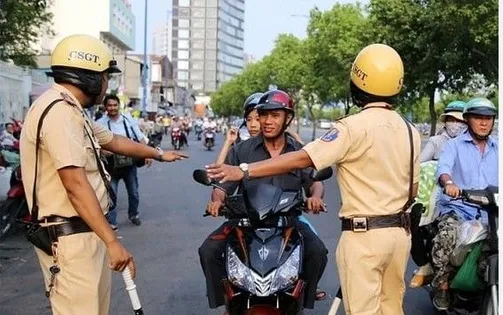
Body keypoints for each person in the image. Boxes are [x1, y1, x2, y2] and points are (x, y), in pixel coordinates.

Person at [206, 44, 422, 315]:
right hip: (399, 236)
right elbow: (412, 189)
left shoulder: (351, 128)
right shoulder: (410, 130)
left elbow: (304, 159)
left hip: (365, 237)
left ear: (357, 82)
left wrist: (245, 170)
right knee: (391, 309)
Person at [19, 34, 188, 315]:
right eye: (105, 77)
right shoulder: (59, 112)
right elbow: (74, 183)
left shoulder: (72, 111)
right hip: (71, 238)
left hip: (85, 233)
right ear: (88, 77)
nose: (106, 85)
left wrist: (157, 153)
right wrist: (112, 242)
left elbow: (113, 141)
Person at [199, 89, 329, 311]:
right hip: (245, 221)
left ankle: (304, 298)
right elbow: (222, 185)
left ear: (288, 118)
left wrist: (315, 197)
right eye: (264, 115)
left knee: (317, 252)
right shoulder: (241, 150)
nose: (267, 121)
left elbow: (314, 181)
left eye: (275, 115)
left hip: (288, 222)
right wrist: (217, 200)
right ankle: (226, 299)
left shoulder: (299, 152)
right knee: (208, 250)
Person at [431, 97, 498, 311]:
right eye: (478, 117)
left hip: (493, 214)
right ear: (468, 119)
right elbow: (443, 169)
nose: (484, 122)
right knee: (446, 238)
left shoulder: (499, 147)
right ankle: (442, 286)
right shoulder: (453, 146)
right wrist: (449, 183)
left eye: (488, 118)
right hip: (459, 210)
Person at [409, 100, 467, 288]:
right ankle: (426, 267)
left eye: (460, 120)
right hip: (436, 196)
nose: (456, 124)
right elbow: (418, 167)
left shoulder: (473, 145)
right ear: (446, 121)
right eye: (452, 119)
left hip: (468, 199)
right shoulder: (437, 142)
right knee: (414, 224)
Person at [97, 94, 151, 229]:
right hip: (111, 166)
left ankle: (133, 214)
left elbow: (140, 138)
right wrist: (104, 151)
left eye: (115, 105)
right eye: (109, 105)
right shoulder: (100, 123)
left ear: (119, 106)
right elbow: (95, 145)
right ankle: (112, 222)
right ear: (105, 107)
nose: (112, 108)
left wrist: (148, 153)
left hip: (129, 164)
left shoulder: (128, 120)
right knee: (111, 194)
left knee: (134, 193)